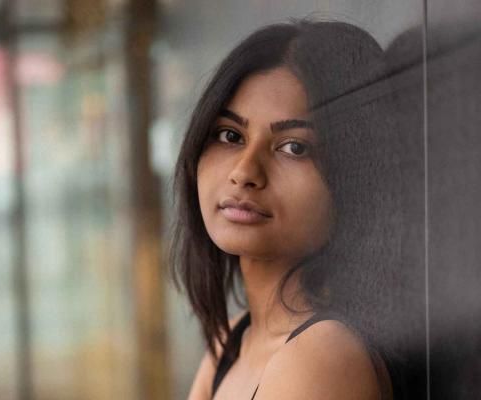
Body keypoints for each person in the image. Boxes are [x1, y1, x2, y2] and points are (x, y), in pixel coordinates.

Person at [168, 19, 407, 400]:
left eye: (294, 147)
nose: (245, 172)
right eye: (231, 135)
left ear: (357, 178)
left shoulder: (321, 356)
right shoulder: (231, 343)